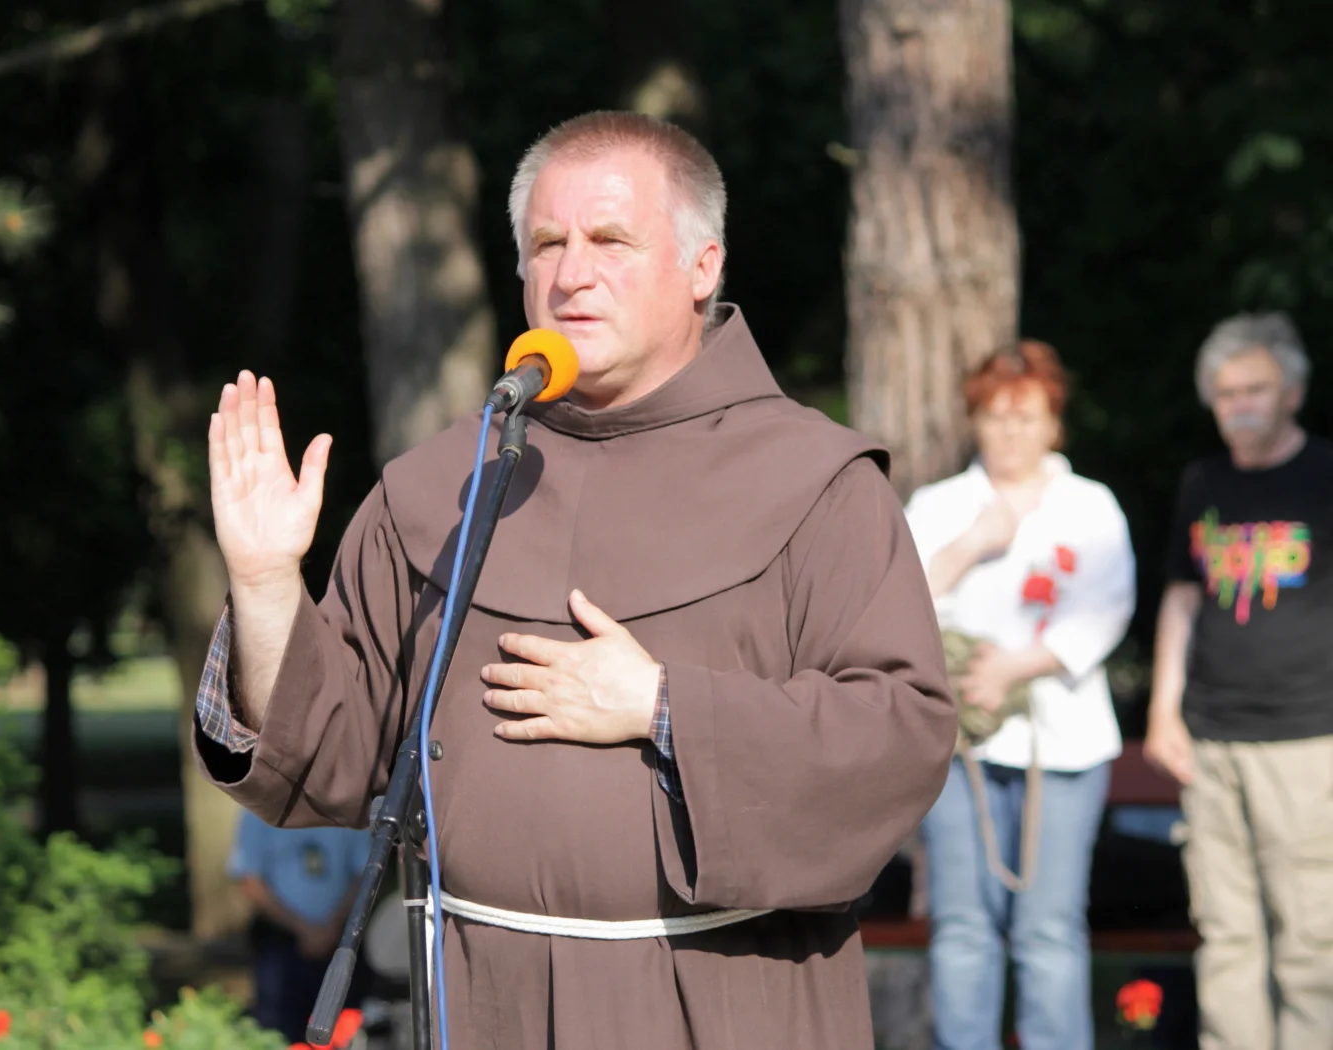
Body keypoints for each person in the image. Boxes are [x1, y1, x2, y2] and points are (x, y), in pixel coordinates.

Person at [189, 109, 957, 1049]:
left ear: (703, 266)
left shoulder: (816, 483)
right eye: (547, 244)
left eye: (611, 241)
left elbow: (900, 734)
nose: (571, 273)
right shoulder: (440, 489)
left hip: (719, 1003)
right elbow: (327, 761)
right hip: (484, 1003)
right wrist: (268, 583)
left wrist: (666, 707)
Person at [903, 342, 1136, 1050]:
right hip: (960, 749)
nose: (1010, 432)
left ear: (1052, 424)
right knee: (963, 927)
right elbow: (897, 605)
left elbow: (1108, 606)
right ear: (975, 421)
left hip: (1062, 746)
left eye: (1026, 416)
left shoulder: (1089, 505)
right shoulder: (939, 505)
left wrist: (1015, 668)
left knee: (1049, 930)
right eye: (996, 416)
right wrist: (970, 544)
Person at [1143, 312, 1333, 1050]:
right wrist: (1163, 713)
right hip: (1212, 742)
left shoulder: (1324, 475)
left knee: (1312, 939)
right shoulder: (1203, 481)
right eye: (1225, 394)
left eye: (1255, 389)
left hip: (1308, 741)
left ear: (1293, 393)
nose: (1240, 405)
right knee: (1225, 936)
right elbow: (1182, 599)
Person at [228, 811, 372, 1044]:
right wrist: (303, 929)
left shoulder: (349, 807)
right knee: (279, 1035)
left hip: (342, 944)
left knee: (347, 1033)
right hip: (280, 946)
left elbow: (366, 874)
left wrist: (332, 927)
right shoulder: (258, 808)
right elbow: (249, 879)